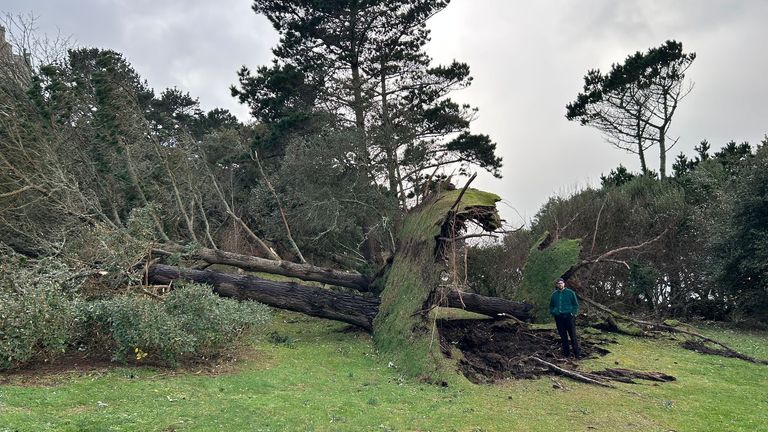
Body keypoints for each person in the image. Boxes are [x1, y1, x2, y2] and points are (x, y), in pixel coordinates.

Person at [549, 277, 581, 358]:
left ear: (564, 284)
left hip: (569, 317)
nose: (560, 285)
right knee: (563, 337)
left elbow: (575, 305)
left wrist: (572, 313)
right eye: (558, 283)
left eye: (561, 283)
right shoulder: (554, 295)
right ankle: (566, 355)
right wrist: (554, 312)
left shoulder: (570, 293)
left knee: (573, 336)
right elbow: (551, 306)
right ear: (557, 285)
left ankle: (577, 354)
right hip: (559, 317)